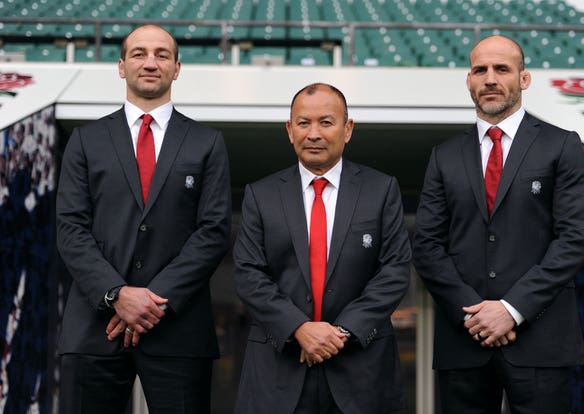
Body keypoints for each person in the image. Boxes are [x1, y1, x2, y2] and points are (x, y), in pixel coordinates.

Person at [56, 24, 231, 414]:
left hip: (178, 332)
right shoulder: (86, 141)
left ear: (177, 67)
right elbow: (70, 230)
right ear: (121, 66)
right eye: (138, 53)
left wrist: (151, 302)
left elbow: (214, 231)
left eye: (161, 54)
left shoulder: (208, 143)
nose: (150, 62)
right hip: (94, 329)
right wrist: (117, 294)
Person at [412, 35, 584, 413]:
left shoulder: (561, 146)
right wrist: (474, 313)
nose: (490, 78)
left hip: (541, 341)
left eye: (502, 69)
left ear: (523, 79)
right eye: (480, 69)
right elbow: (427, 246)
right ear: (469, 80)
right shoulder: (443, 156)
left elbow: (573, 240)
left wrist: (511, 309)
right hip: (464, 342)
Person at [233, 83, 411, 414]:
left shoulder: (381, 189)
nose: (314, 133)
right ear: (289, 130)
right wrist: (298, 328)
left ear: (348, 129)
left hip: (361, 368)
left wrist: (340, 333)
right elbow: (248, 274)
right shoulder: (260, 195)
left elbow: (394, 270)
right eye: (303, 123)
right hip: (279, 370)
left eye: (326, 122)